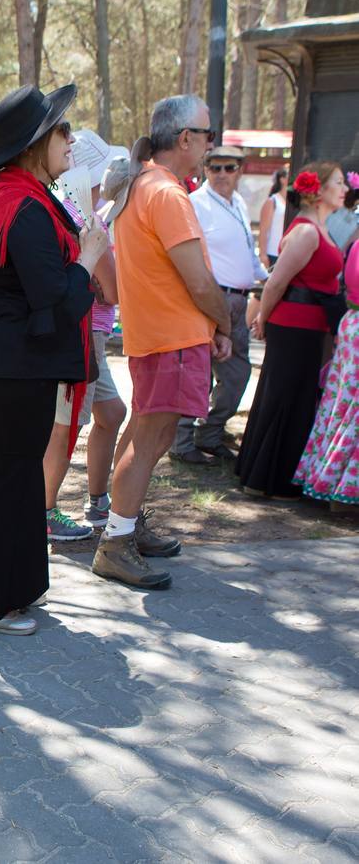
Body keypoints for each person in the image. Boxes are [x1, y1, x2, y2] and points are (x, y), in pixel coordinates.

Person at [0, 84, 102, 635]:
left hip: (17, 362)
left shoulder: (23, 197)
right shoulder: (25, 206)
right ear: (36, 144)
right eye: (61, 130)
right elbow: (55, 301)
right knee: (11, 476)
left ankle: (11, 589)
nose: (70, 137)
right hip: (18, 365)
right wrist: (90, 261)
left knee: (14, 474)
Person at [94, 95, 232, 590]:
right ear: (185, 138)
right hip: (172, 337)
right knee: (150, 440)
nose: (211, 143)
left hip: (156, 335)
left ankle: (124, 526)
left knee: (141, 435)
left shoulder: (141, 185)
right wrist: (225, 326)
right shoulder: (167, 193)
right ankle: (116, 543)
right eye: (208, 133)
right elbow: (197, 280)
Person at [237, 163, 348, 498]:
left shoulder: (321, 229)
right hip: (293, 325)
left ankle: (277, 474)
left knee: (297, 396)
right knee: (285, 395)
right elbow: (276, 282)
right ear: (318, 192)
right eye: (339, 183)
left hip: (311, 326)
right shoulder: (306, 232)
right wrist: (263, 319)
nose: (345, 189)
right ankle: (266, 478)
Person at [170, 145, 268, 465]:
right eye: (216, 168)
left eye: (230, 168)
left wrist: (269, 279)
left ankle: (210, 432)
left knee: (238, 373)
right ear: (205, 170)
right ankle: (182, 441)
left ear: (240, 170)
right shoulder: (195, 204)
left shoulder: (237, 203)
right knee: (199, 371)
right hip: (211, 298)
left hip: (240, 299)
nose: (223, 174)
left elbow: (249, 255)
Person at [43, 162, 125, 541]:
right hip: (84, 333)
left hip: (91, 332)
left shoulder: (74, 215)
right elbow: (113, 291)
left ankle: (98, 499)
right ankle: (44, 510)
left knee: (111, 412)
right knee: (67, 423)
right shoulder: (90, 223)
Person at [294, 237, 359, 509]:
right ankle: (342, 489)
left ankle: (329, 479)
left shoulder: (355, 242)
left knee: (342, 405)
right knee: (349, 408)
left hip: (352, 324)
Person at [258, 167, 288, 269]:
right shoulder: (273, 201)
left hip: (287, 254)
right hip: (273, 253)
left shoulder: (292, 202)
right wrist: (262, 255)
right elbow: (263, 230)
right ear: (282, 179)